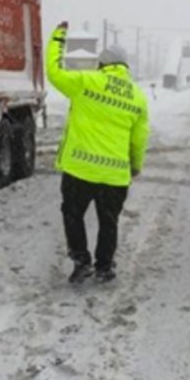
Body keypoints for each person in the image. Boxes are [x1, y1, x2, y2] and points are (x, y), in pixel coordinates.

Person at [46, 21, 150, 283]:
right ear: (125, 68)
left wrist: (59, 38)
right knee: (109, 221)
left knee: (73, 214)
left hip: (80, 169)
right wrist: (135, 166)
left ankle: (81, 261)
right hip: (115, 175)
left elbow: (54, 72)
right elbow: (139, 139)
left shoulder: (86, 82)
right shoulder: (137, 97)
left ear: (101, 65)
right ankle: (104, 267)